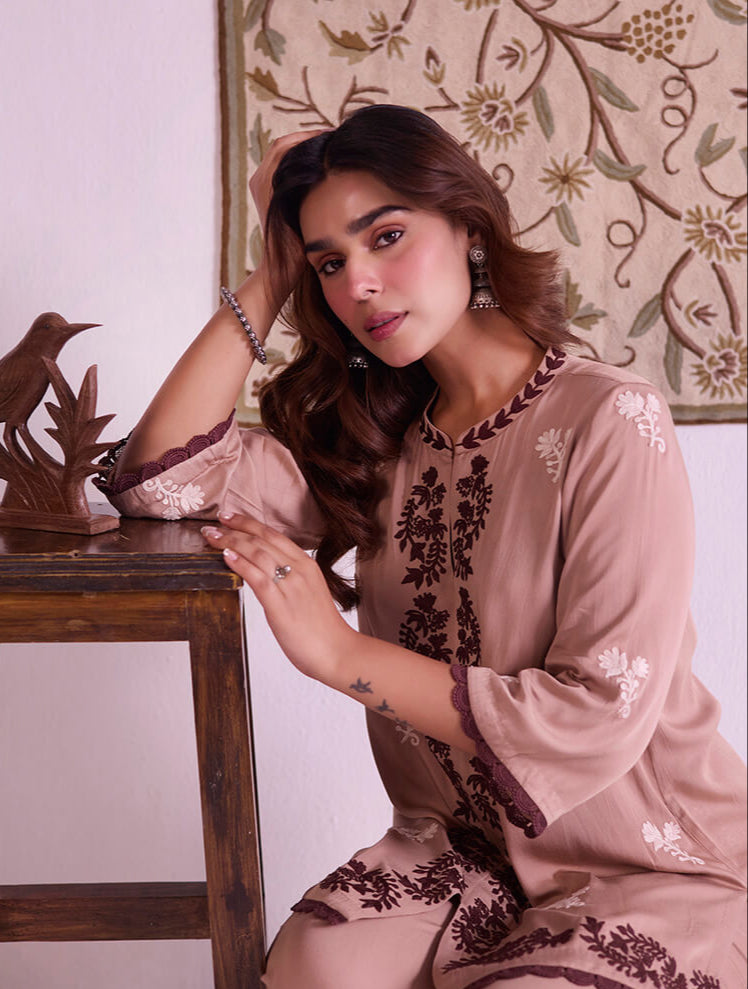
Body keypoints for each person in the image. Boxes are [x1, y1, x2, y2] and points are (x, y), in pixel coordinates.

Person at [98, 105, 746, 988]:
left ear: (469, 229)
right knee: (313, 966)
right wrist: (273, 270)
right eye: (331, 261)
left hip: (652, 863)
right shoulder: (373, 444)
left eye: (387, 236)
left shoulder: (609, 418)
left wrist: (338, 651)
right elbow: (159, 485)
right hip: (466, 856)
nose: (358, 281)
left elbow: (595, 711)